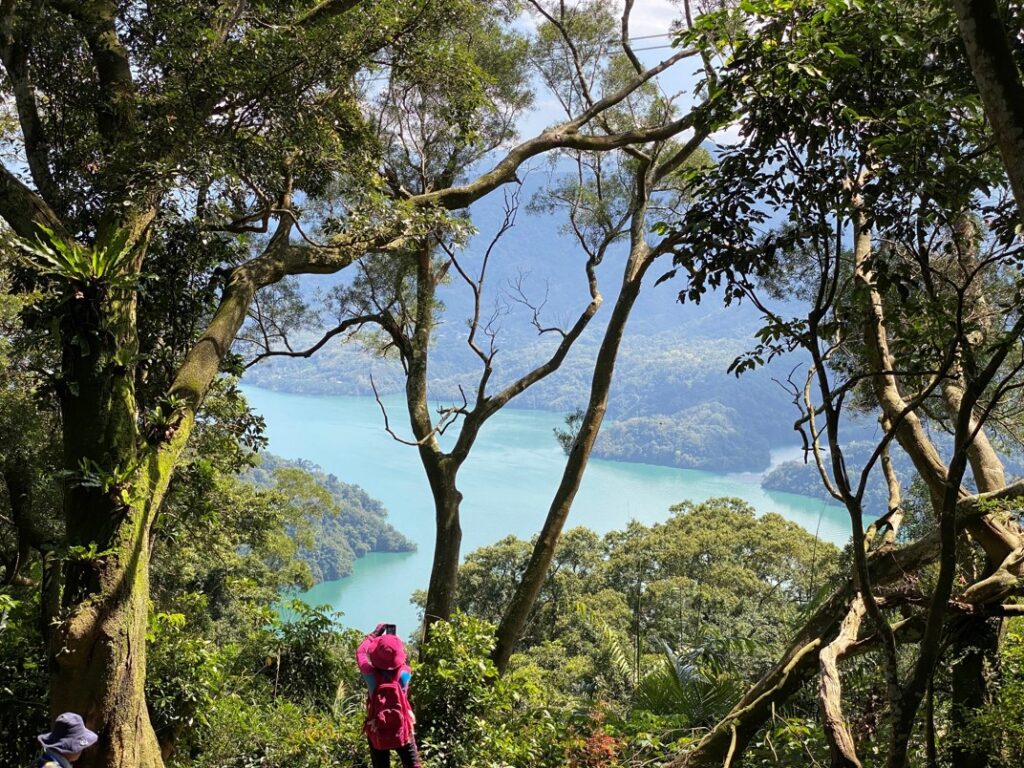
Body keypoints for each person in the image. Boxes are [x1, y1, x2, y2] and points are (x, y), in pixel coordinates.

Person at [357, 623, 421, 768]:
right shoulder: (405, 672)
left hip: (377, 727)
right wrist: (393, 645)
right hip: (402, 727)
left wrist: (375, 634)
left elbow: (360, 652)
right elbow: (400, 661)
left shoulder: (370, 674)